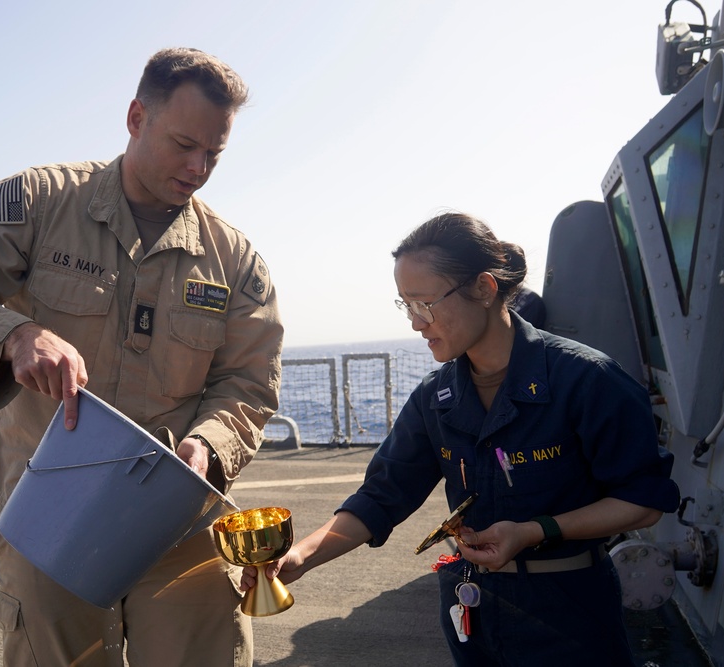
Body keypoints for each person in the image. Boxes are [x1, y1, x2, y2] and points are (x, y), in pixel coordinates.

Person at [0, 48, 283, 667]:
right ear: (135, 117)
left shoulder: (235, 260)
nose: (197, 168)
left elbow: (249, 379)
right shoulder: (36, 203)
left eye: (214, 154)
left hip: (178, 516)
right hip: (49, 512)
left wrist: (211, 445)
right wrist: (15, 334)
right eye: (184, 144)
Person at [242, 212, 679, 666]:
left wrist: (535, 530)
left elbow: (642, 501)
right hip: (473, 611)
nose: (415, 323)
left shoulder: (588, 380)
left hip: (568, 611)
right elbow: (381, 496)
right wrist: (299, 557)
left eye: (425, 304)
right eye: (405, 305)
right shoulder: (436, 398)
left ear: (485, 289)